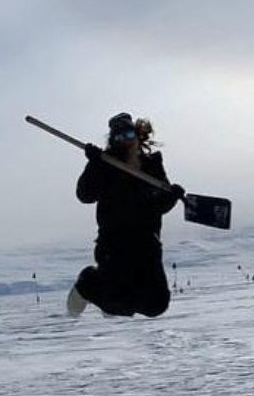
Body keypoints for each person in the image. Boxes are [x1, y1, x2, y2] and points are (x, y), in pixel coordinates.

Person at [66, 112, 185, 318]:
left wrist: (172, 196)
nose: (126, 140)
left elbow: (158, 206)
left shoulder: (152, 166)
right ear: (113, 141)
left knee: (156, 305)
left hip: (148, 243)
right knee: (122, 301)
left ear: (137, 136)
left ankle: (107, 298)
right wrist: (93, 164)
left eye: (129, 134)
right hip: (115, 244)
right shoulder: (105, 165)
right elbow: (85, 195)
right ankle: (88, 283)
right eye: (119, 137)